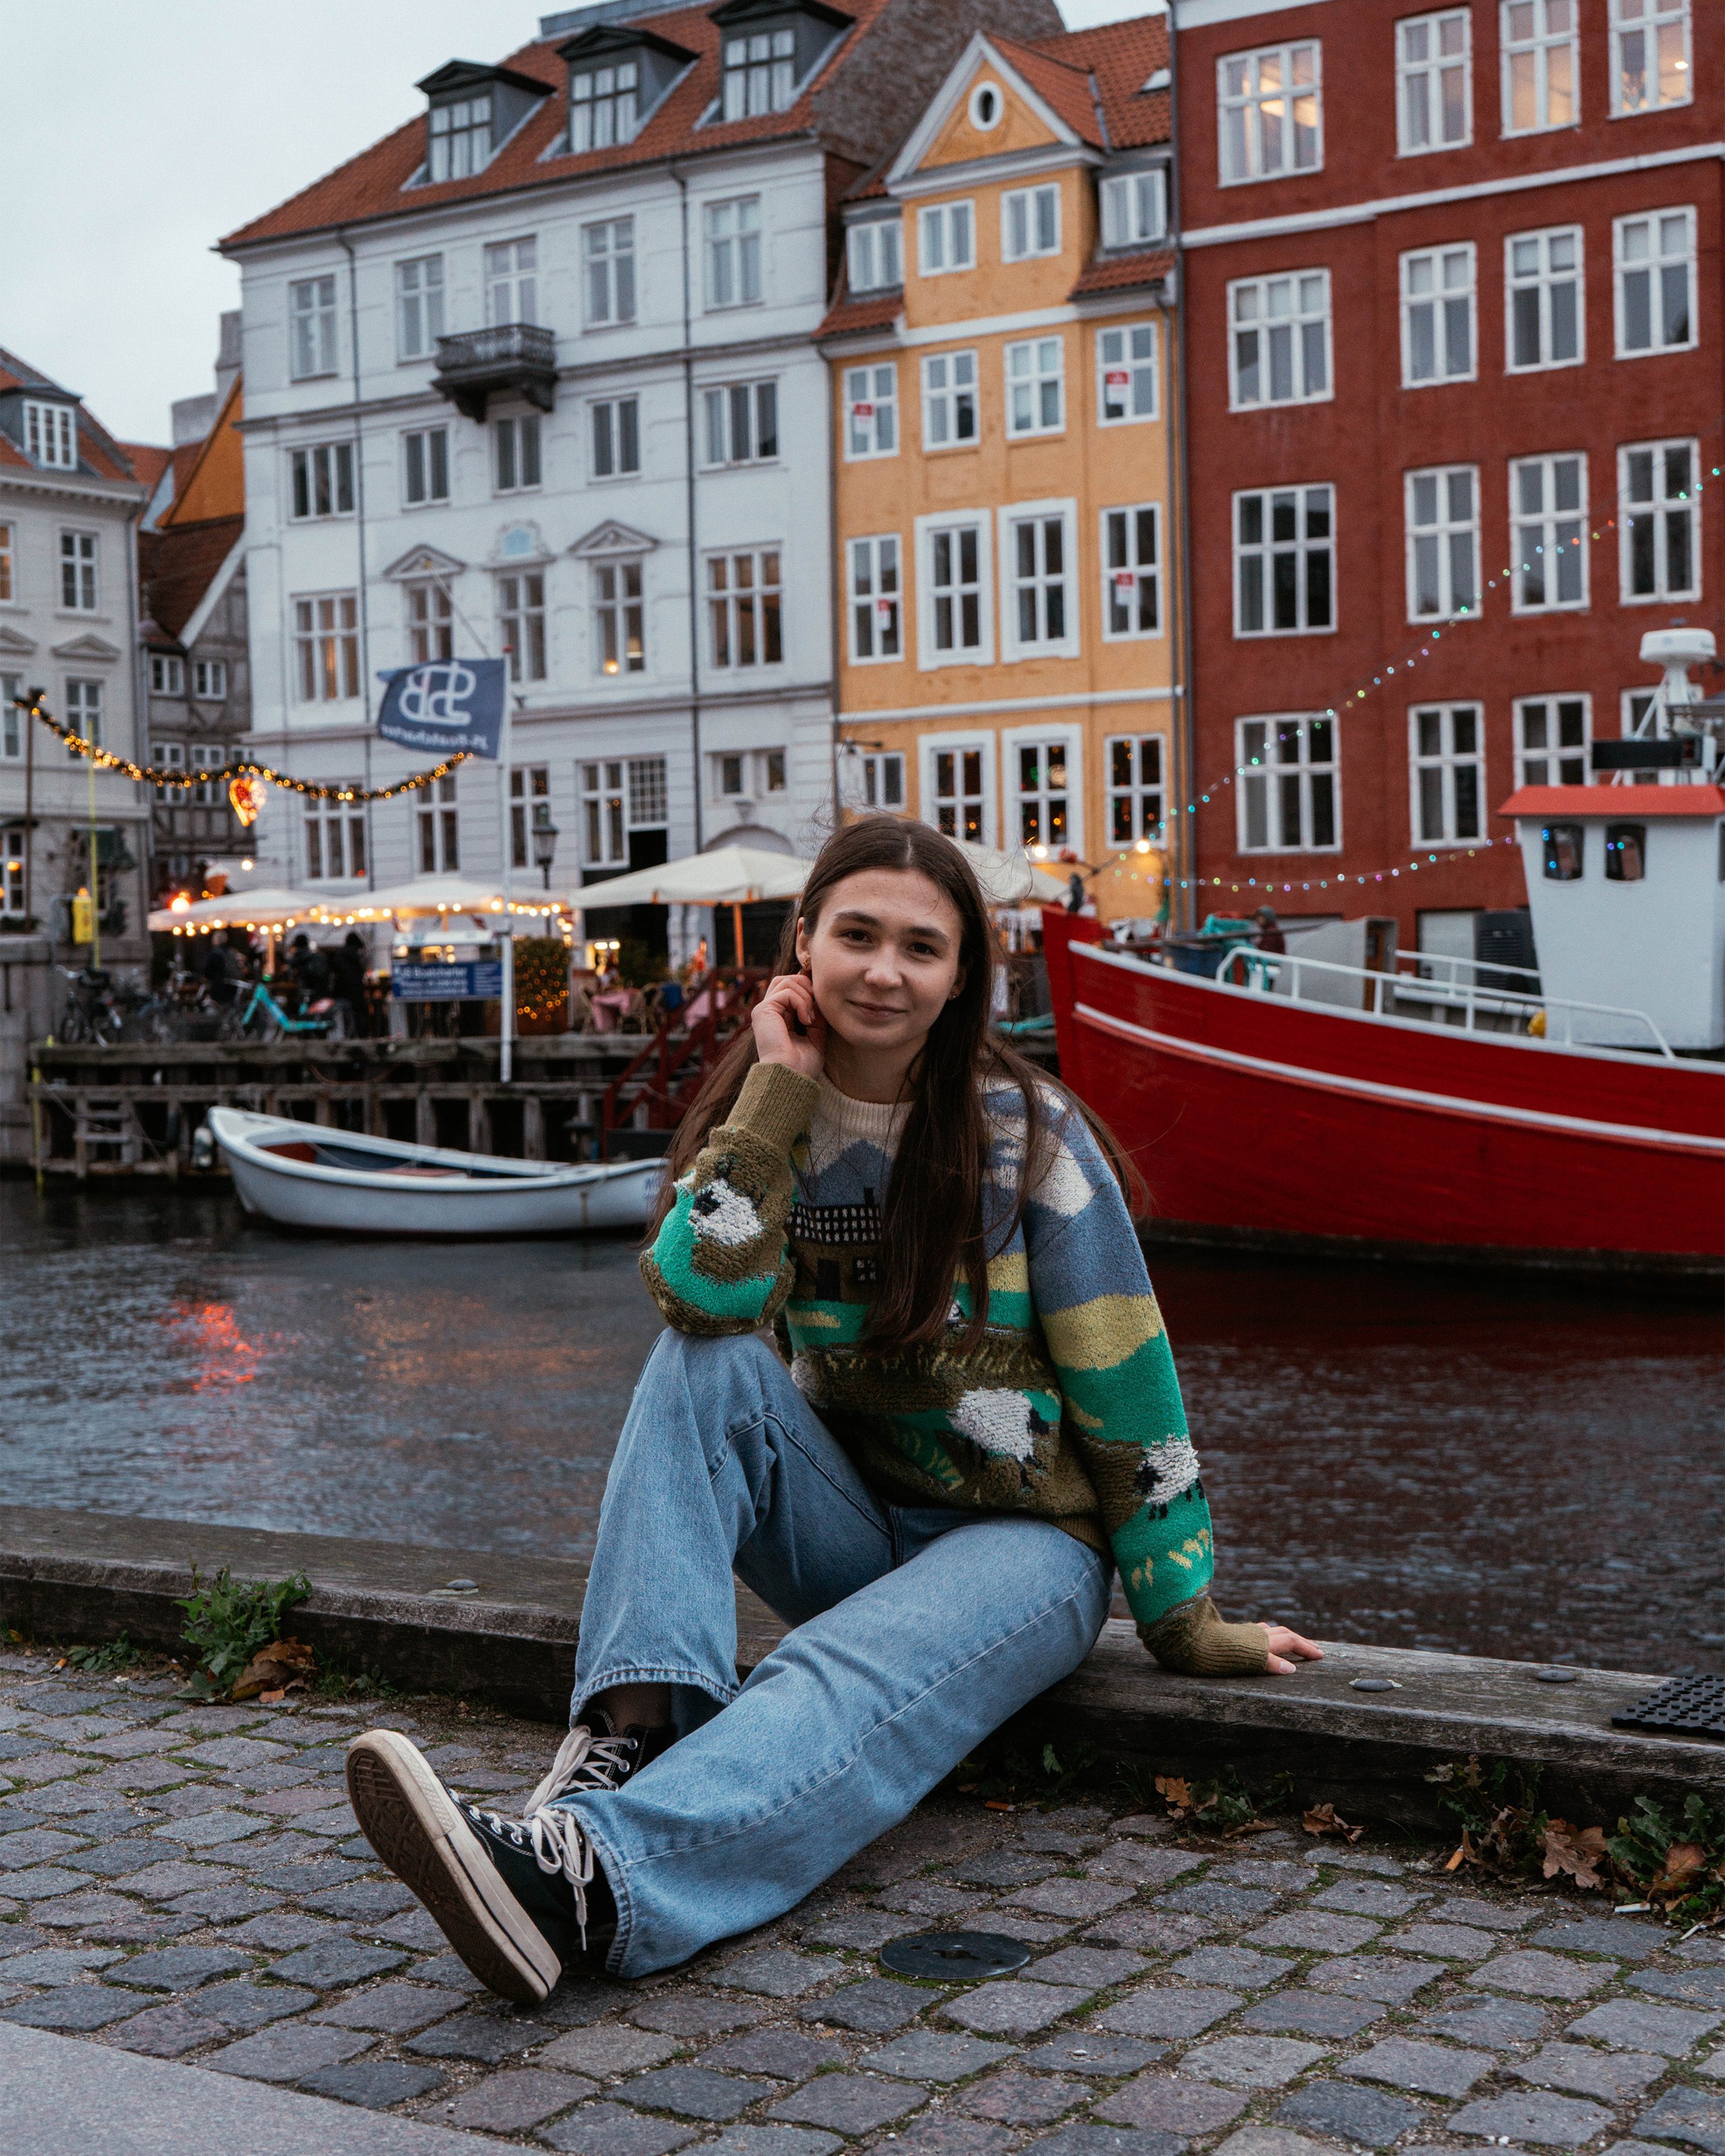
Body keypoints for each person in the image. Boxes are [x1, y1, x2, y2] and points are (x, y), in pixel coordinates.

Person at [344, 818, 1319, 2001]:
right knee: (702, 1366)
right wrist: (775, 1095)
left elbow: (1130, 1379)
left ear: (962, 977)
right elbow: (702, 1297)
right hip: (855, 1524)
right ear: (804, 942)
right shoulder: (776, 1116)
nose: (883, 970)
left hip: (1024, 1551)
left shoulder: (1030, 1142)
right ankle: (628, 1744)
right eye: (856, 934)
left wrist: (1184, 1617)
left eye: (922, 946)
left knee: (831, 1675)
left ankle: (602, 1884)